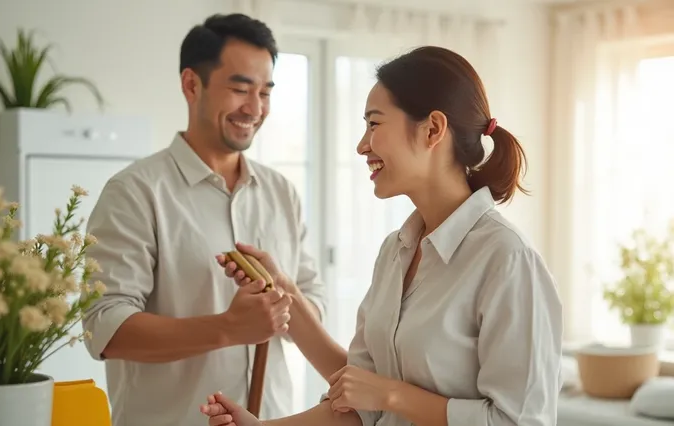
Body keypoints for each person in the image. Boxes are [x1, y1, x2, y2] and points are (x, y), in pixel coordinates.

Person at [201, 45, 564, 426]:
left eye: (374, 124)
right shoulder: (395, 251)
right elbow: (358, 403)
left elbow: (520, 421)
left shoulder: (506, 259)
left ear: (433, 129)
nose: (361, 145)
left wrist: (394, 395)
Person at [81, 13, 346, 426]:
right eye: (240, 88)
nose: (255, 108)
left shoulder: (281, 193)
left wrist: (281, 303)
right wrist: (228, 328)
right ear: (191, 84)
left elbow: (314, 299)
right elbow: (106, 327)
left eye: (265, 92)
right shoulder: (134, 192)